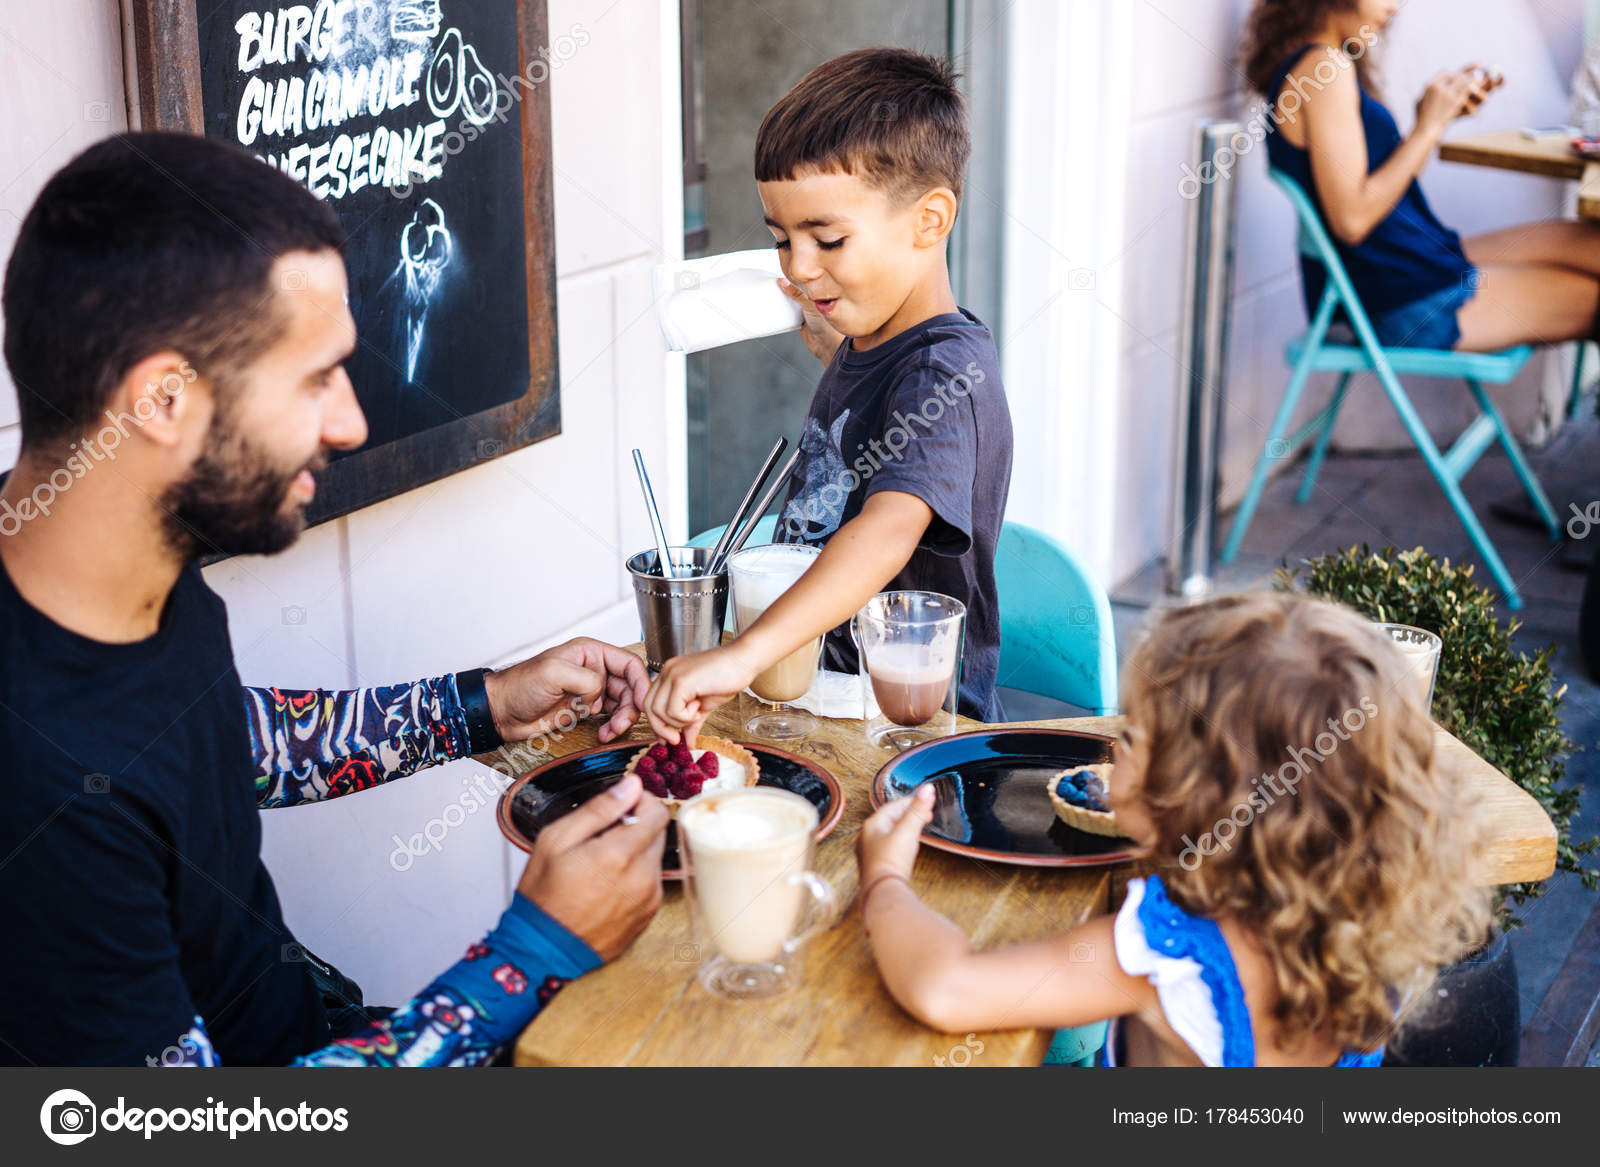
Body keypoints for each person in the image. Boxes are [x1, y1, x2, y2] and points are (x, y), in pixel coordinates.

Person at [0, 132, 669, 1067]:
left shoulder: (114, 564)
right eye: (314, 379)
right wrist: (533, 953)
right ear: (160, 401)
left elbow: (215, 745)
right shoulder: (37, 795)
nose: (351, 422)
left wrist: (481, 704)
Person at [856, 592, 1493, 1066]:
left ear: (1192, 796)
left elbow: (944, 989)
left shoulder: (1169, 953)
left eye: (1132, 738)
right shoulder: (1362, 934)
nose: (1109, 754)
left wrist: (885, 877)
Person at [643, 48, 1014, 737]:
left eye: (829, 239)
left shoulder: (945, 374)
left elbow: (887, 530)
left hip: (902, 725)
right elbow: (867, 429)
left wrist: (746, 651)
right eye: (783, 238)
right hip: (817, 695)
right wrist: (832, 346)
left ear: (930, 221)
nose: (800, 266)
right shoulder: (873, 343)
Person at [1245, 0, 1600, 352]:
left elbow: (1384, 194)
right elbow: (1353, 220)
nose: (1395, 7)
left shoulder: (1322, 64)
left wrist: (1434, 120)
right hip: (1401, 299)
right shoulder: (1323, 68)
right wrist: (1426, 129)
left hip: (1412, 265)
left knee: (1591, 243)